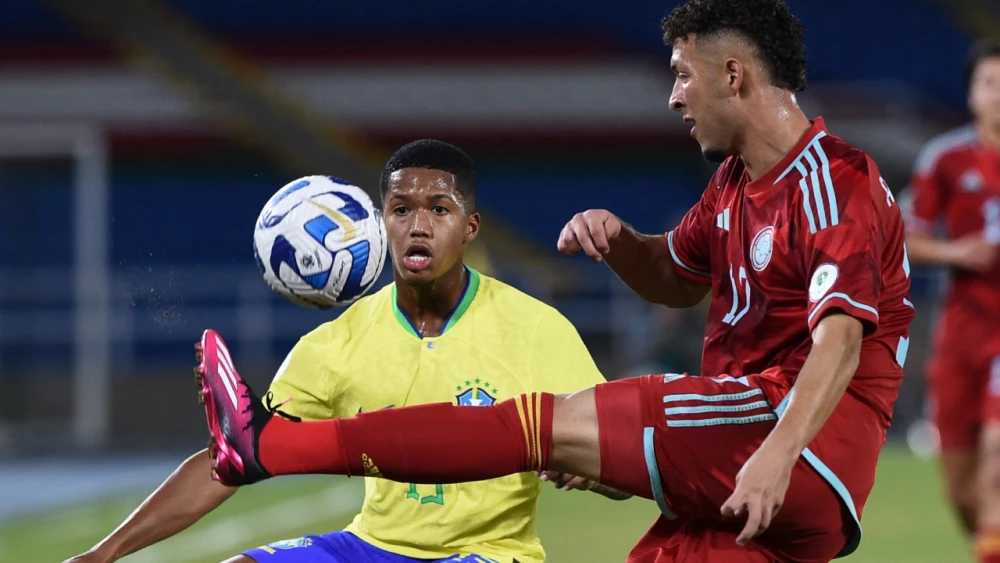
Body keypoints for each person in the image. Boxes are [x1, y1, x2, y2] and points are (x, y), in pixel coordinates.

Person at [195, 1, 916, 561]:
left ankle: (269, 446)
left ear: (734, 76)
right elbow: (675, 277)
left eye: (683, 74)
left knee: (532, 426)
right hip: (768, 456)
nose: (674, 96)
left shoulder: (829, 184)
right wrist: (625, 243)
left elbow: (841, 343)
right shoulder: (737, 183)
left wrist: (775, 455)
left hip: (791, 435)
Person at [65, 139, 621, 563]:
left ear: (470, 226)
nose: (418, 226)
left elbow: (623, 460)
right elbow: (231, 460)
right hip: (372, 546)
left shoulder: (535, 328)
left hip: (492, 552)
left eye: (439, 210)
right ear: (379, 225)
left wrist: (593, 471)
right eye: (401, 210)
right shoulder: (335, 344)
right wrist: (102, 554)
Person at [902, 38, 1000, 562]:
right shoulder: (944, 159)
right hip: (962, 332)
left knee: (997, 462)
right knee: (961, 486)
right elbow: (903, 237)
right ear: (971, 94)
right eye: (990, 82)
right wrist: (955, 250)